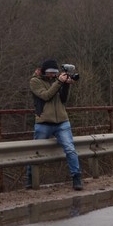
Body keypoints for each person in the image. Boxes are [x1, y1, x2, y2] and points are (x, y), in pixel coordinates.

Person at [27, 59, 83, 190]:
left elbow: (63, 99)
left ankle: (76, 178)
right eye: (50, 73)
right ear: (43, 71)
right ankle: (30, 178)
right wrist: (59, 82)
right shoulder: (35, 81)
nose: (53, 75)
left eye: (55, 72)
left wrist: (67, 84)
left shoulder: (58, 80)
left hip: (62, 122)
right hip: (44, 122)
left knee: (70, 149)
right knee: (35, 152)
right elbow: (46, 96)